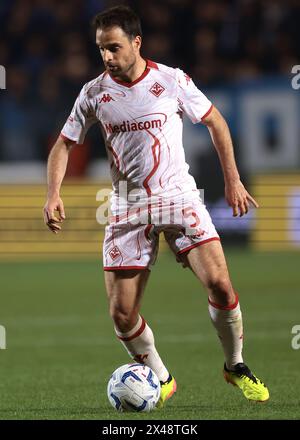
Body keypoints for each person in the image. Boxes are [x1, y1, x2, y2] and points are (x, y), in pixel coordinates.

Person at [43, 5, 269, 407]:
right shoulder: (94, 92)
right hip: (127, 205)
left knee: (220, 284)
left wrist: (233, 180)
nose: (107, 57)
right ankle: (163, 378)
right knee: (122, 315)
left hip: (178, 196)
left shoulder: (171, 80)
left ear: (136, 42)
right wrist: (53, 193)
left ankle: (235, 365)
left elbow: (216, 121)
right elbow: (64, 143)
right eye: (101, 50)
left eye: (114, 47)